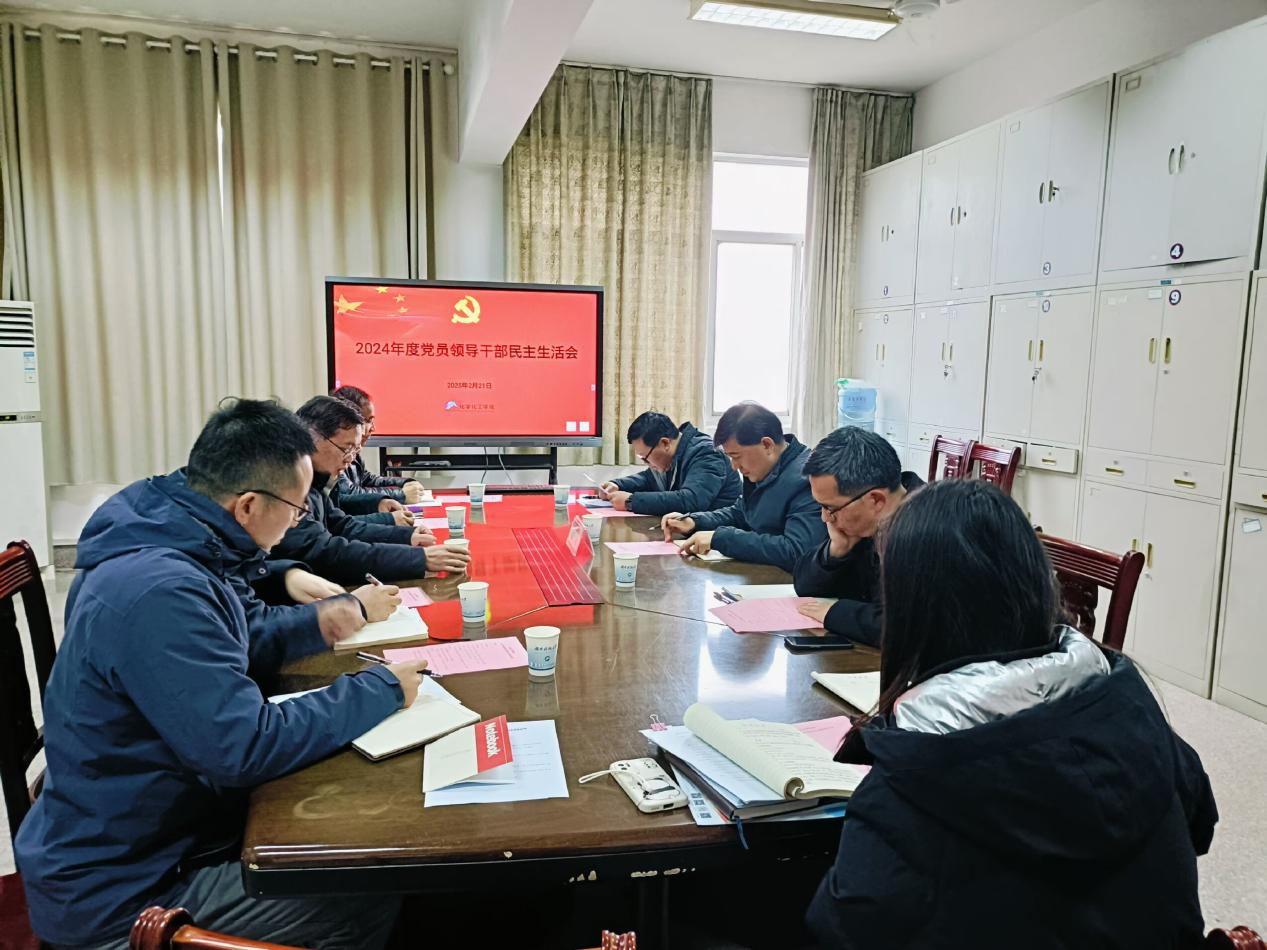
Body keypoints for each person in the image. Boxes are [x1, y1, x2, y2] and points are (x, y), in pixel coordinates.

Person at [15, 399, 427, 950]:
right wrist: (376, 690)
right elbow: (242, 747)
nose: (297, 523)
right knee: (366, 882)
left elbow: (238, 635)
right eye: (296, 509)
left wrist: (321, 615)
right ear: (249, 505)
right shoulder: (161, 590)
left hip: (158, 830)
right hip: (129, 891)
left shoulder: (176, 535)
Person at [806, 479, 1218, 949]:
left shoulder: (916, 773)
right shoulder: (1125, 703)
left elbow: (841, 926)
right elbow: (1200, 824)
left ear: (911, 608)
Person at [271, 396, 470, 583]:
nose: (350, 459)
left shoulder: (313, 483)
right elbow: (326, 553)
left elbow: (342, 526)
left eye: (354, 450)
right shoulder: (284, 485)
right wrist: (417, 558)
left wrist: (406, 536)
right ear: (311, 437)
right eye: (346, 449)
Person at [792, 426, 923, 646]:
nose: (825, 518)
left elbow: (906, 627)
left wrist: (836, 613)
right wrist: (836, 551)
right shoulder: (866, 520)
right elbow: (805, 588)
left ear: (876, 500)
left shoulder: (928, 531)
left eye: (830, 508)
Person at [662, 402, 826, 572]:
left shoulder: (808, 479)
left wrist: (721, 538)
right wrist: (694, 521)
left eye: (736, 456)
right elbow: (740, 513)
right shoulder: (763, 470)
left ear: (767, 445)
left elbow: (796, 551)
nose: (734, 466)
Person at [597, 411, 740, 516]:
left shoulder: (707, 453)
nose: (647, 463)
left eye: (646, 457)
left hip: (716, 535)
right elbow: (649, 478)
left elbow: (691, 500)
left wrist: (631, 501)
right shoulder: (674, 454)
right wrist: (617, 484)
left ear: (665, 443)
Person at [329, 385, 424, 523]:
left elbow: (366, 479)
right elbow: (348, 496)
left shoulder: (351, 451)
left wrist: (405, 482)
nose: (372, 428)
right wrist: (401, 495)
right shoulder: (330, 457)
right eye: (367, 420)